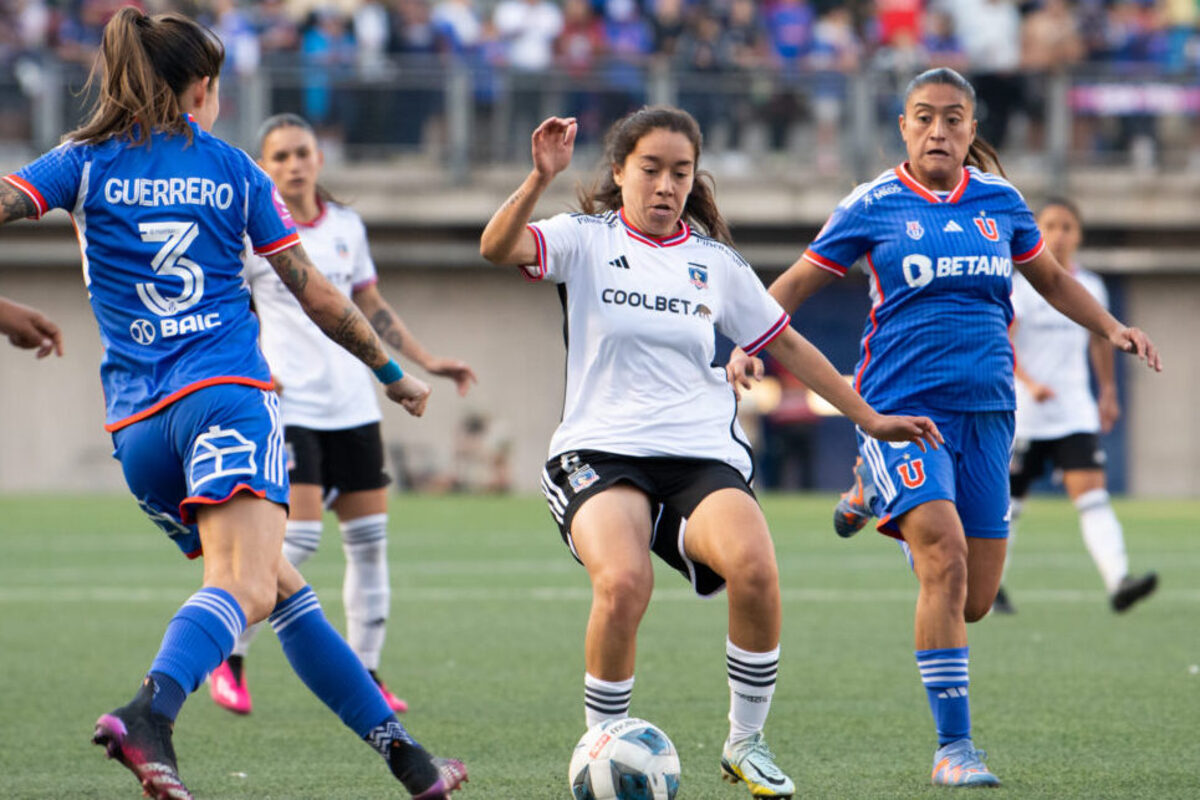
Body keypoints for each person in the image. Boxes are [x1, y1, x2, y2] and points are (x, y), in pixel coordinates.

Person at [0, 10, 465, 800]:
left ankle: (407, 760)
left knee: (281, 586)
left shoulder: (78, 161)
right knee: (247, 586)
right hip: (225, 400)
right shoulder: (233, 170)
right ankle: (151, 711)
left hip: (138, 430)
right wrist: (391, 371)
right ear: (204, 90)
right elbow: (315, 293)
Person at [479, 106, 941, 799]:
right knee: (625, 582)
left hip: (699, 451)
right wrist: (538, 179)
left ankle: (745, 745)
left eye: (681, 172)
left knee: (755, 568)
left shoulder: (715, 263)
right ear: (619, 172)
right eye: (651, 169)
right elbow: (496, 248)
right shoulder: (583, 239)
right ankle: (601, 748)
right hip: (600, 451)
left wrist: (867, 416)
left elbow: (784, 342)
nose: (666, 185)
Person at [726, 68, 1161, 788]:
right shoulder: (872, 205)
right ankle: (954, 749)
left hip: (989, 415)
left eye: (953, 119)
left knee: (977, 599)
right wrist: (748, 340)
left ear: (971, 128)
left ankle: (874, 493)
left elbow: (1051, 280)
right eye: (924, 117)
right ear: (902, 125)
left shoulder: (1002, 203)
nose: (938, 130)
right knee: (945, 557)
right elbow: (798, 283)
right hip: (902, 414)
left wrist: (1113, 327)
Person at [208, 112, 478, 717]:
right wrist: (251, 365)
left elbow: (370, 306)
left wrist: (428, 360)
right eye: (278, 157)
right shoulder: (253, 234)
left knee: (369, 544)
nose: (293, 165)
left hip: (354, 407)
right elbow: (230, 309)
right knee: (298, 536)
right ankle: (230, 654)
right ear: (264, 167)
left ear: (319, 159)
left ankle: (369, 672)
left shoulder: (348, 228)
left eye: (302, 153)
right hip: (289, 405)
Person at [997, 197, 1157, 614]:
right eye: (1050, 225)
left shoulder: (1091, 286)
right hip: (1026, 415)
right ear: (1036, 230)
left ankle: (1119, 581)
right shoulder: (1017, 288)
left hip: (1073, 412)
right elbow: (1003, 343)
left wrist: (1107, 391)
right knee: (1008, 508)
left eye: (1067, 226)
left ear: (1079, 234)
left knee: (1093, 499)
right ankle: (990, 587)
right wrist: (1029, 383)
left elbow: (1100, 340)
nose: (1059, 234)